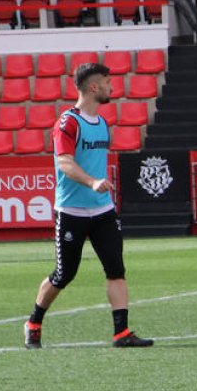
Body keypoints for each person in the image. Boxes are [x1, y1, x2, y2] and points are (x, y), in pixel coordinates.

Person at [23, 63, 154, 349]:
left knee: (116, 268)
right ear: (93, 87)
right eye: (107, 82)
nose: (111, 87)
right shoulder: (67, 123)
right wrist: (92, 181)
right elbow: (64, 162)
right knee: (64, 273)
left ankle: (122, 333)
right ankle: (34, 322)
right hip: (71, 211)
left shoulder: (103, 123)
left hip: (103, 211)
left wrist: (99, 188)